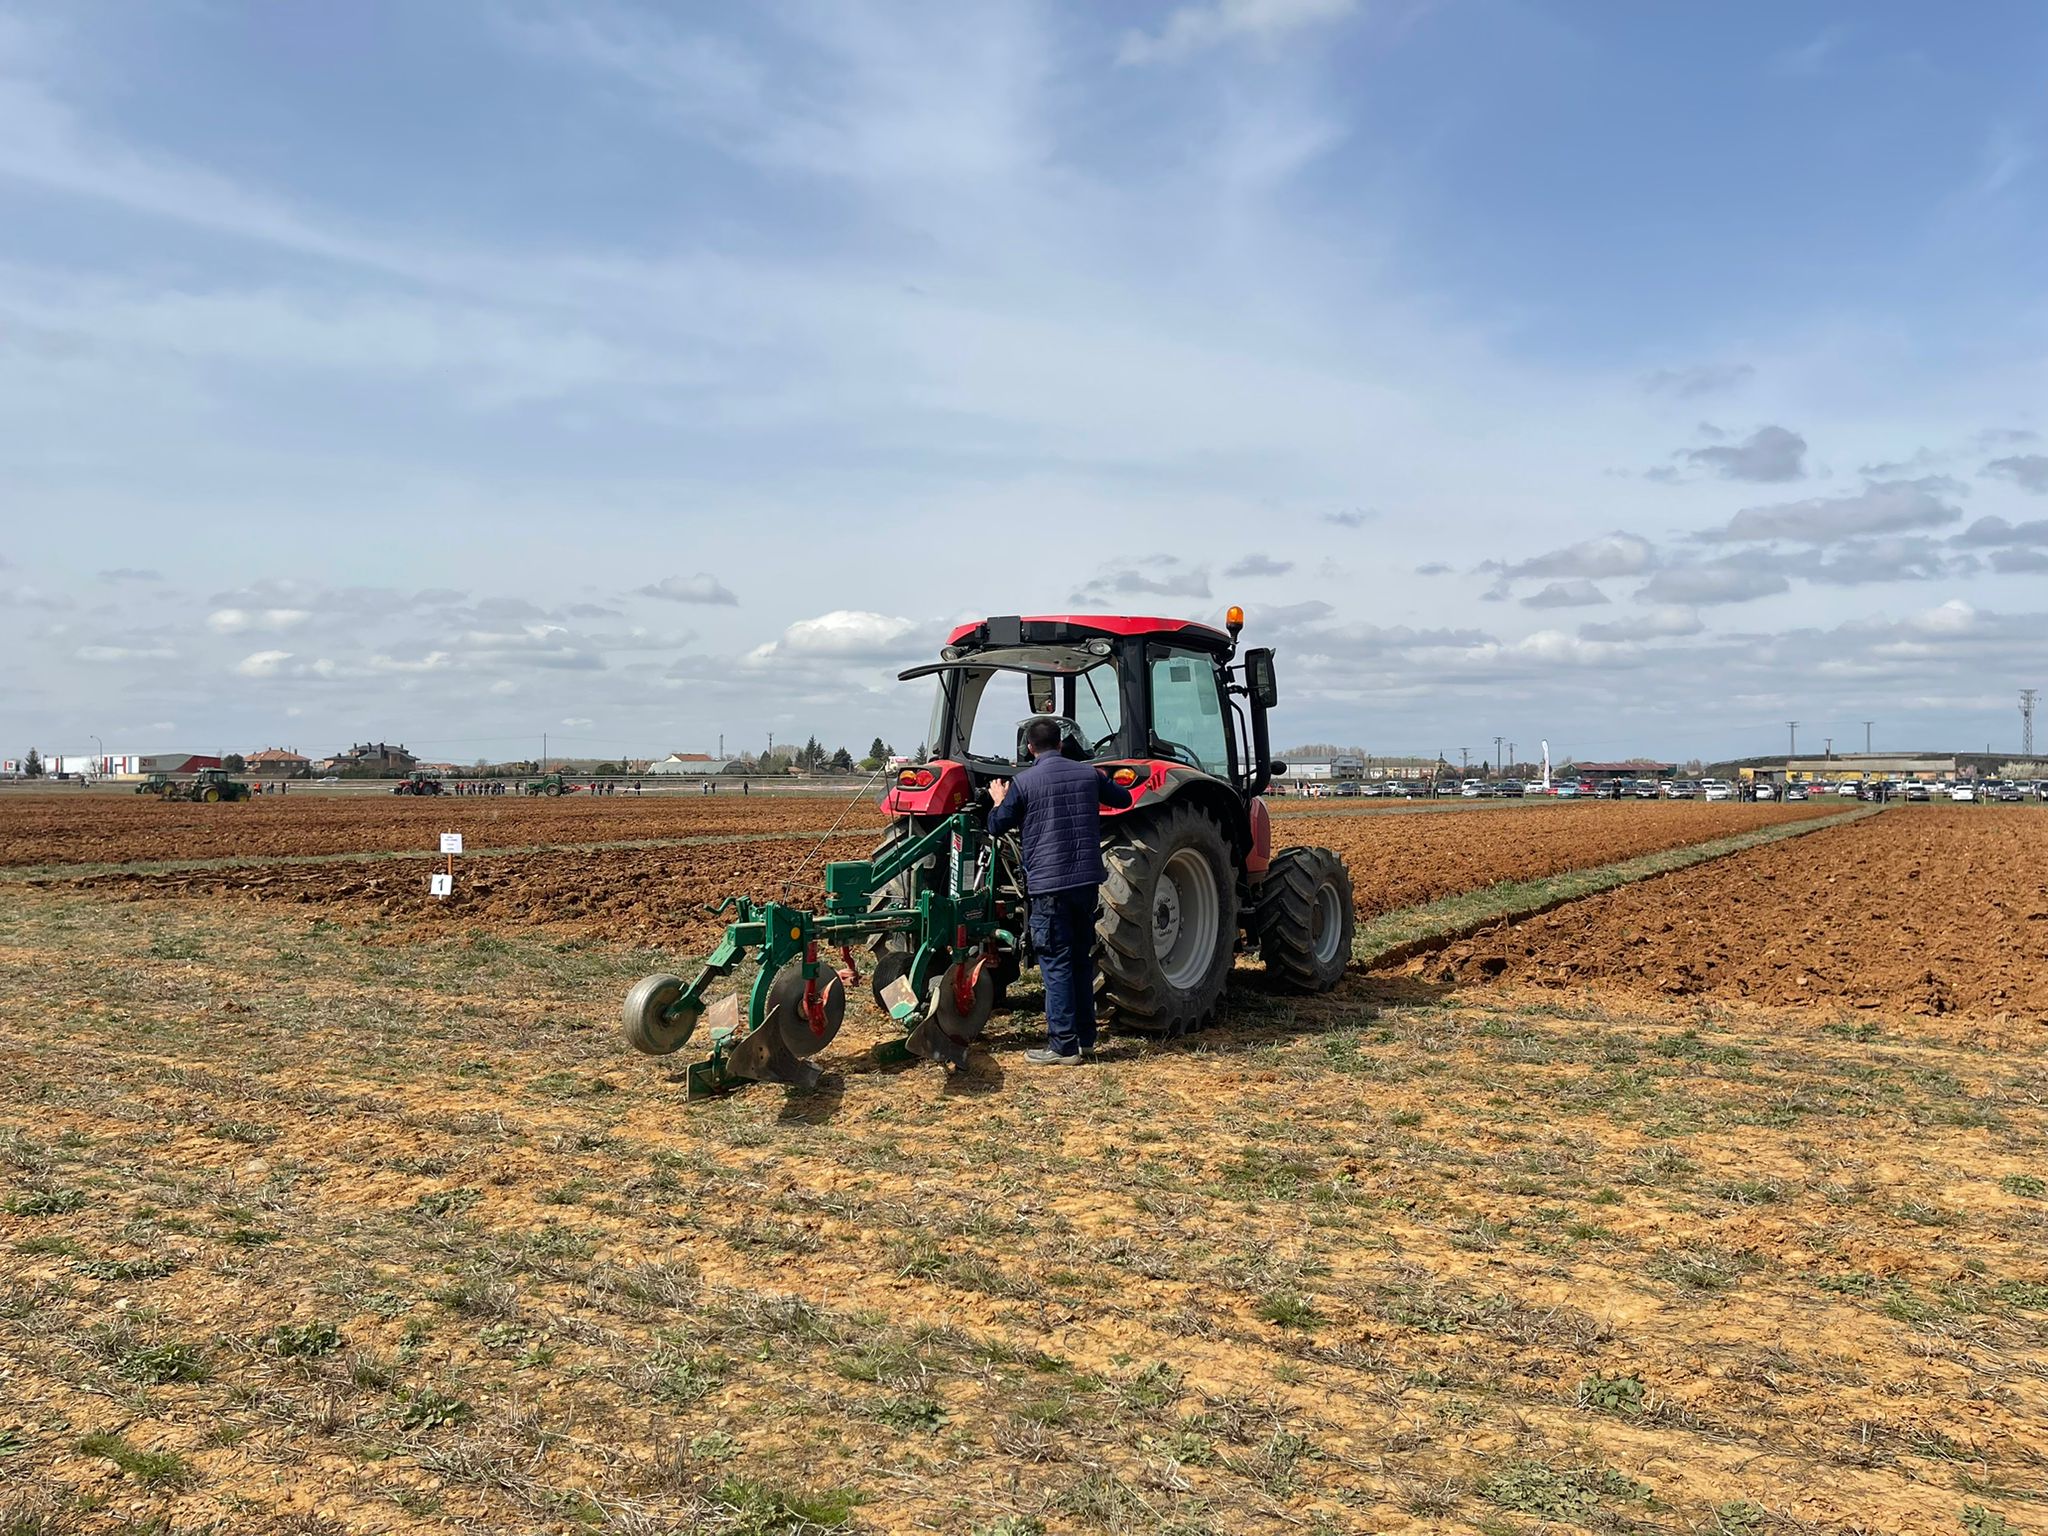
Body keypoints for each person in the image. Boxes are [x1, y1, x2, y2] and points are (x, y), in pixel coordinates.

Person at [987, 717, 1132, 1066]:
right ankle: (1085, 1040)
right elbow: (1124, 798)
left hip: (1049, 887)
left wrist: (998, 800)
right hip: (1085, 884)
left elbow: (996, 825)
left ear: (1030, 748)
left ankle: (1063, 1046)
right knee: (1080, 959)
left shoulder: (1024, 782)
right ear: (1062, 743)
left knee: (1056, 963)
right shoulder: (1088, 775)